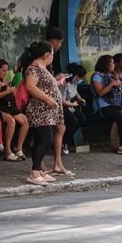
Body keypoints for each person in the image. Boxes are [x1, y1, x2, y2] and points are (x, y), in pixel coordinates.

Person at [24, 41, 63, 186]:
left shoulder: (43, 68)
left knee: (41, 140)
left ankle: (39, 170)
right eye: (52, 53)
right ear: (47, 55)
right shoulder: (34, 68)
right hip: (40, 111)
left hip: (48, 112)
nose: (53, 56)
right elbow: (30, 87)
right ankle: (34, 172)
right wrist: (48, 99)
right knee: (46, 141)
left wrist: (57, 83)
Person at [0, 59, 29, 161]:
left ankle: (19, 148)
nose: (5, 73)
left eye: (6, 71)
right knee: (11, 121)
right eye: (3, 70)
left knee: (24, 120)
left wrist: (12, 92)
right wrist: (6, 92)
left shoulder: (3, 81)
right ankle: (7, 150)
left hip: (6, 106)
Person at [45, 26, 74, 176]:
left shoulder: (50, 60)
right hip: (46, 100)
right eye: (60, 42)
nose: (60, 46)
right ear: (54, 41)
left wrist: (55, 79)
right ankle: (39, 165)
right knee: (44, 133)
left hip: (53, 99)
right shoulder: (43, 57)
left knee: (60, 128)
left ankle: (57, 163)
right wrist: (56, 81)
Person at [91, 55, 122, 155]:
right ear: (105, 64)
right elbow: (100, 93)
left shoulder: (110, 75)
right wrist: (111, 84)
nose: (114, 65)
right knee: (120, 117)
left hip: (114, 104)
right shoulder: (97, 76)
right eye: (112, 63)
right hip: (103, 105)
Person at [59, 63, 88, 154]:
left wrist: (80, 99)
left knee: (82, 118)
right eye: (81, 77)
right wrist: (73, 105)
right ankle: (65, 142)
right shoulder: (64, 83)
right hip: (62, 106)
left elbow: (74, 91)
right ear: (76, 76)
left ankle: (67, 138)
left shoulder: (74, 82)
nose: (81, 79)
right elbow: (61, 100)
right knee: (73, 120)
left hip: (70, 105)